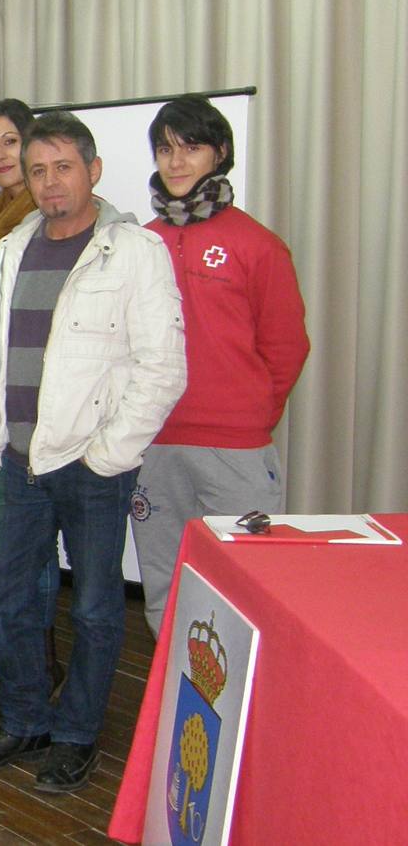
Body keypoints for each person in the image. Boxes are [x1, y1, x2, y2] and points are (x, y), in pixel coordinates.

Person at [0, 112, 186, 793]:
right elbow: (1, 353)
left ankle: (77, 732)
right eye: (36, 170)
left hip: (89, 467)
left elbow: (162, 367)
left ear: (93, 171)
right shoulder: (17, 242)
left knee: (91, 608)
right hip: (17, 460)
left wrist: (109, 455)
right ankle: (26, 718)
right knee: (7, 600)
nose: (49, 182)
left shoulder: (132, 250)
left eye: (62, 167)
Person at [130, 97, 310, 634]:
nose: (177, 162)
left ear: (221, 153)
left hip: (235, 450)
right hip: (155, 445)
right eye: (166, 149)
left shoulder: (259, 245)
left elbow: (286, 348)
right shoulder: (143, 242)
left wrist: (247, 414)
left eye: (192, 147)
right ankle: (173, 700)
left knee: (247, 587)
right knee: (164, 585)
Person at [0, 98, 64, 698]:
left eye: (11, 144)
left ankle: (38, 663)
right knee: (1, 542)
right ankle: (14, 661)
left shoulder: (45, 217)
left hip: (37, 403)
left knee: (29, 548)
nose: (1, 157)